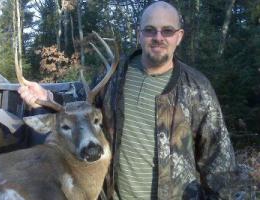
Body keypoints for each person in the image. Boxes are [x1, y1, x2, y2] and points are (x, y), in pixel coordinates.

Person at [18, 1, 236, 199]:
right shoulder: (112, 76)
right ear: (139, 33)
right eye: (150, 30)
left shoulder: (196, 87)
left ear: (178, 36)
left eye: (167, 31)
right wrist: (47, 97)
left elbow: (219, 162)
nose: (158, 37)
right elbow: (82, 110)